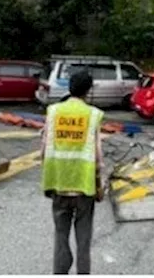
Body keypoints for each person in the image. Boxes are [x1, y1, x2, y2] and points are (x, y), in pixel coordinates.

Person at [41, 70, 103, 275]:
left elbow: (43, 149)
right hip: (84, 187)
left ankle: (60, 272)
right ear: (88, 90)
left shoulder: (54, 111)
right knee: (83, 241)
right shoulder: (92, 114)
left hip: (58, 184)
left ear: (69, 88)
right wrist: (99, 185)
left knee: (60, 236)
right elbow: (97, 155)